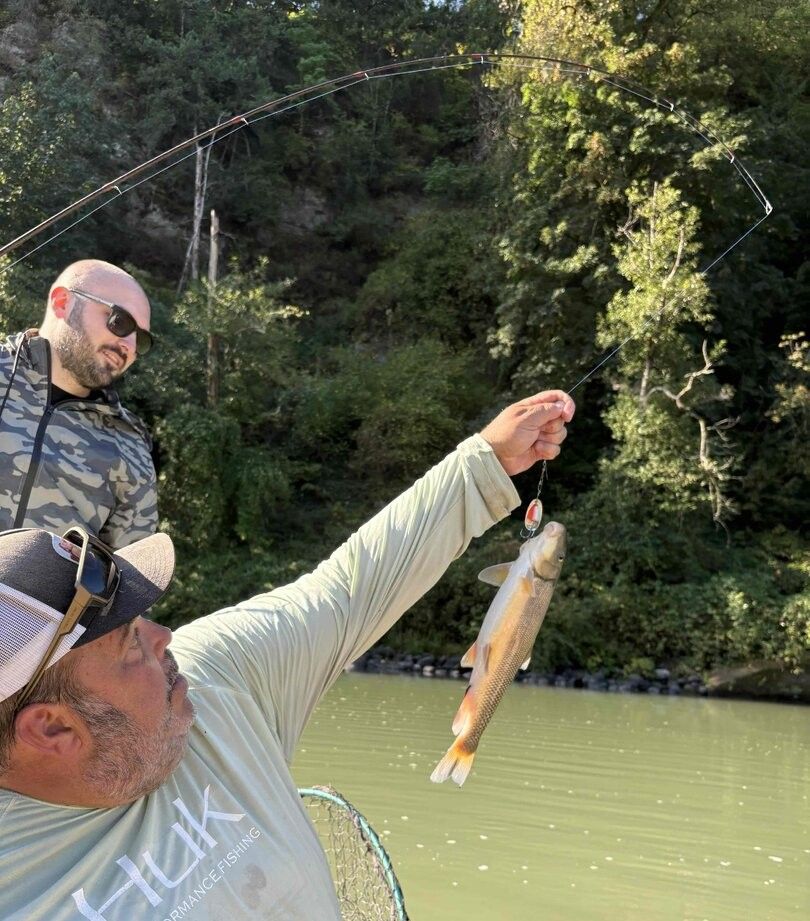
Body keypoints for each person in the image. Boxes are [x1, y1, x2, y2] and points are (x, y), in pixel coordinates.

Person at [0, 389, 575, 920]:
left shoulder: (208, 677)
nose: (164, 637)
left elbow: (348, 592)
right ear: (53, 728)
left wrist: (485, 464)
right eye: (129, 643)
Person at [0, 259, 157, 549]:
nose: (130, 346)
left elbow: (129, 569)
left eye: (142, 340)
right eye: (120, 322)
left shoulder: (130, 447)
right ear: (62, 303)